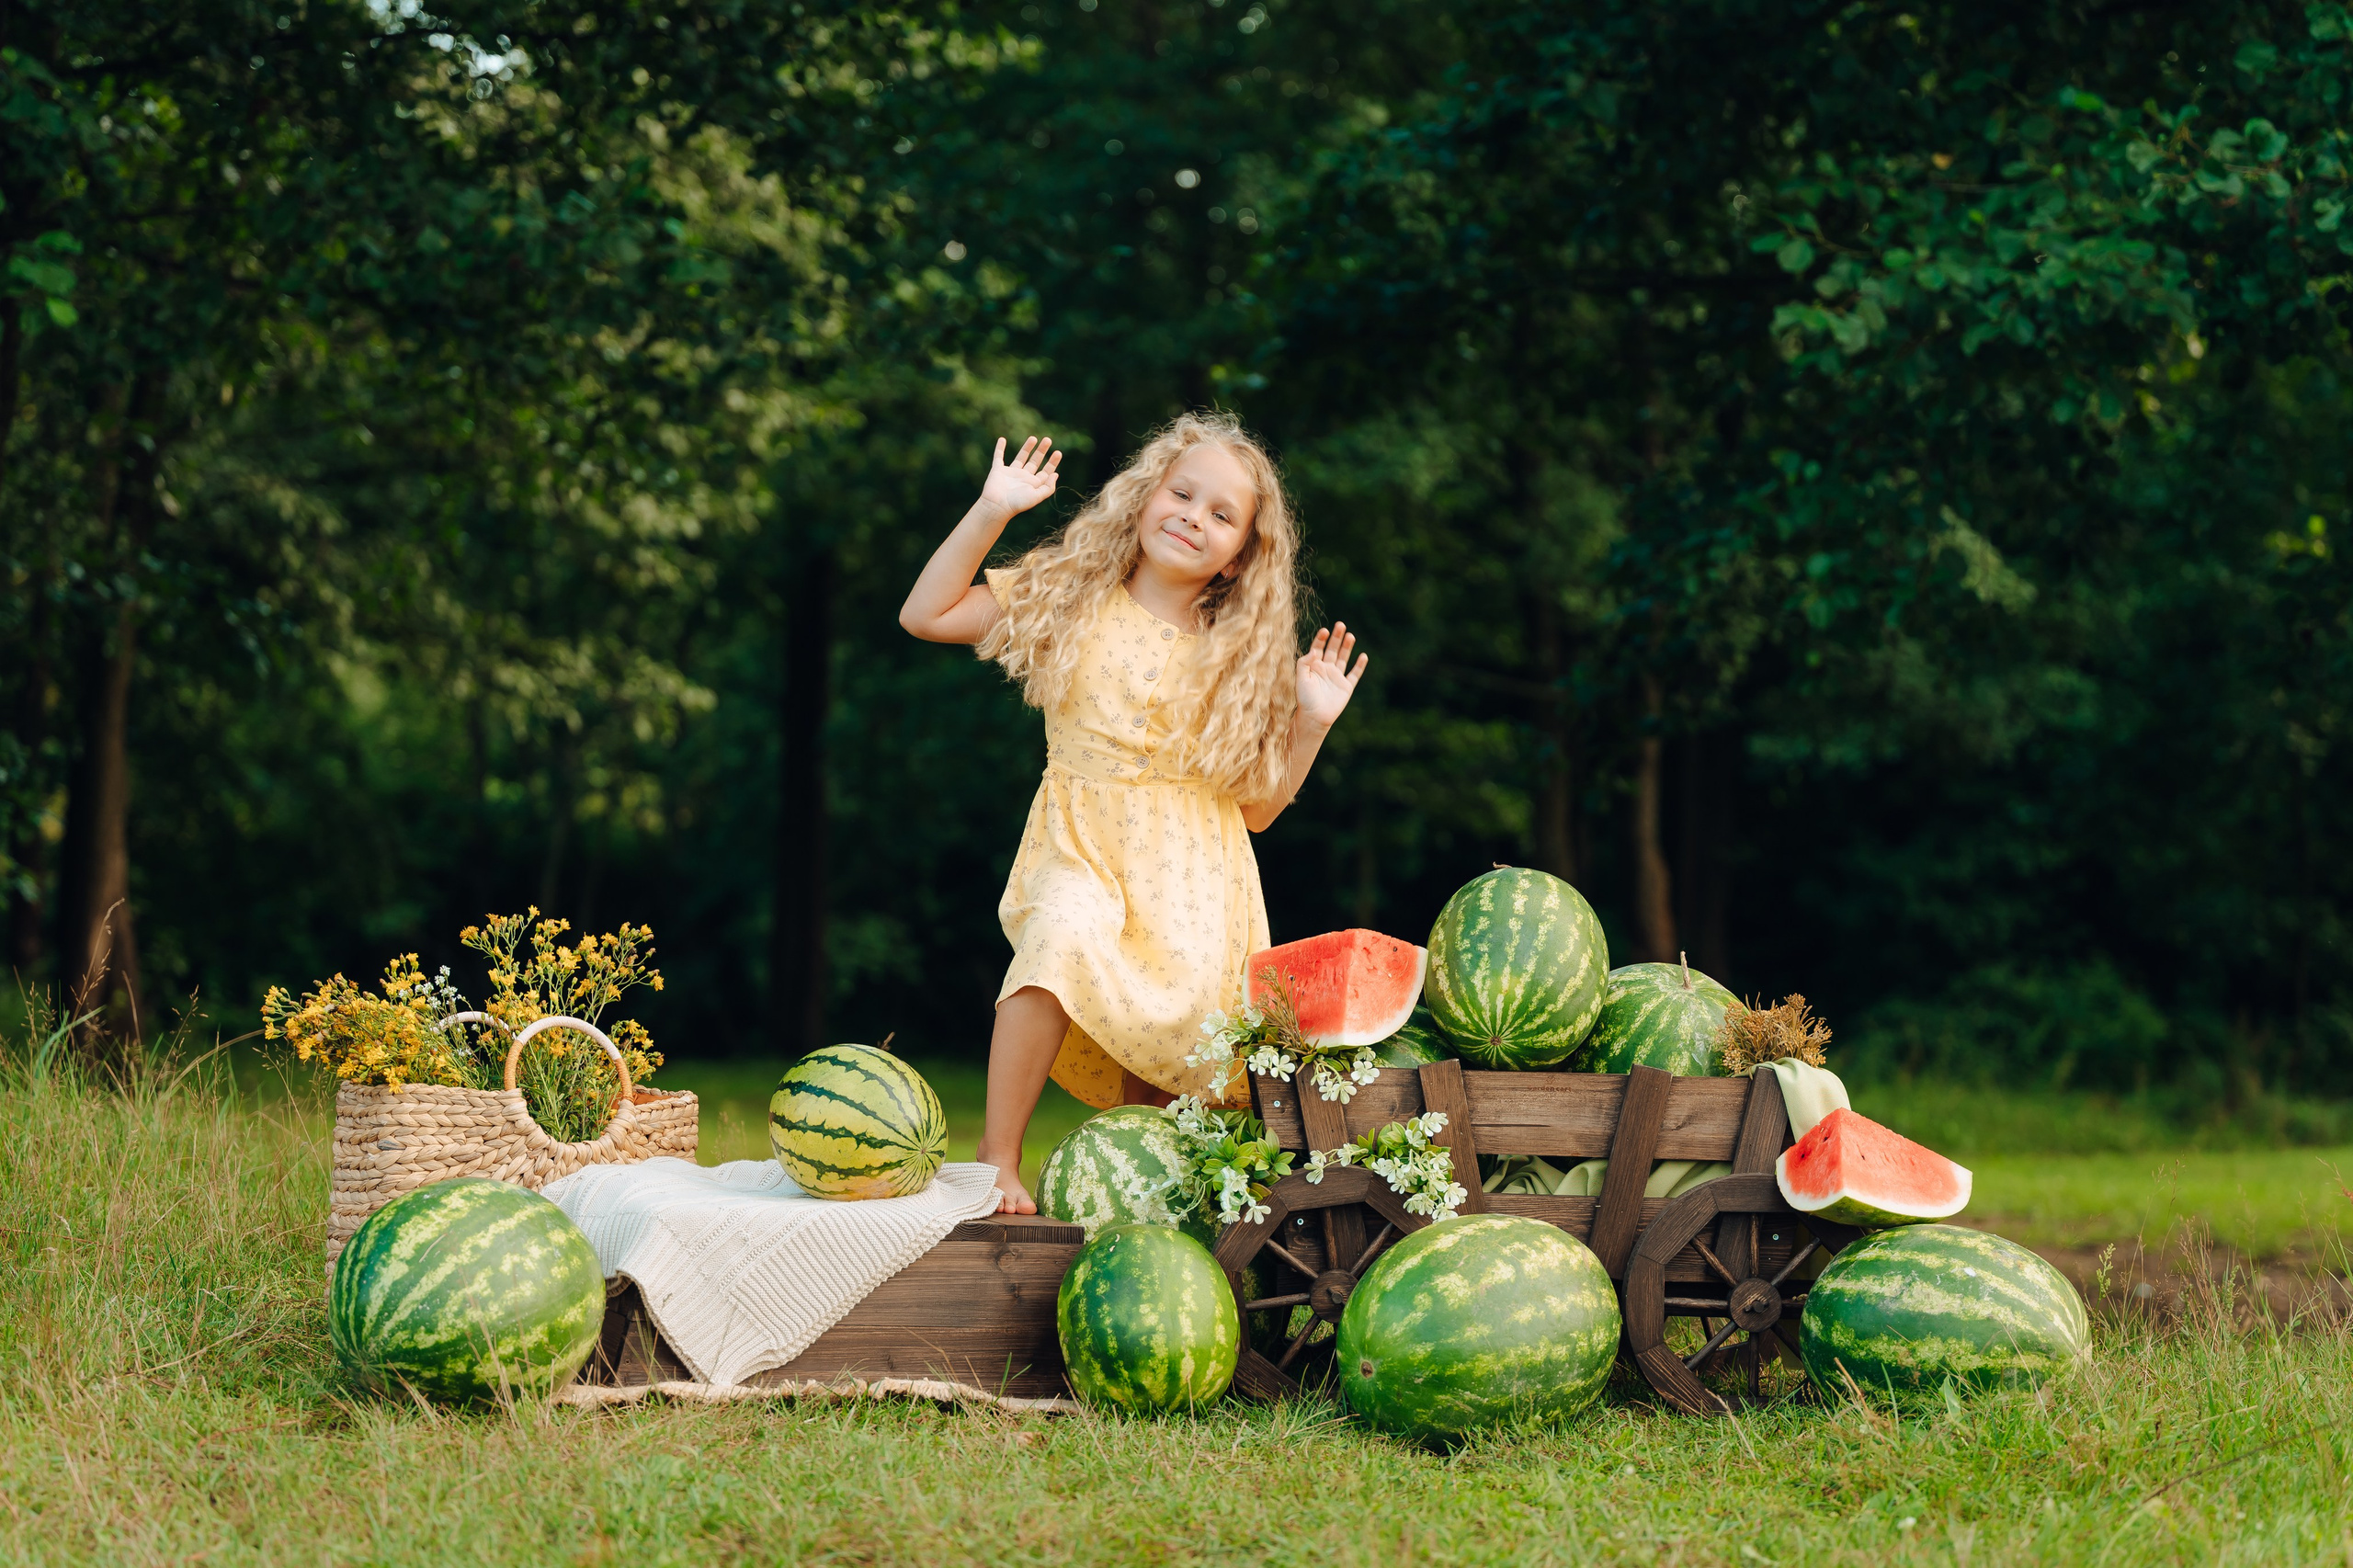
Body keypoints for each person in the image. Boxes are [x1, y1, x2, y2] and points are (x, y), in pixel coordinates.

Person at [898, 412, 1369, 1213]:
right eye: (1182, 494)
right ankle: (997, 1158)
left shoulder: (1239, 659)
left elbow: (1256, 810)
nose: (1194, 516)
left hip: (1194, 879)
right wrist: (994, 510)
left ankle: (1136, 1204)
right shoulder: (1072, 596)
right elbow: (927, 614)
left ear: (1242, 554)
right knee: (1058, 937)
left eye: (1223, 515)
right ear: (1144, 496)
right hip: (1081, 844)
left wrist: (1310, 724)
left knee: (1166, 1069)